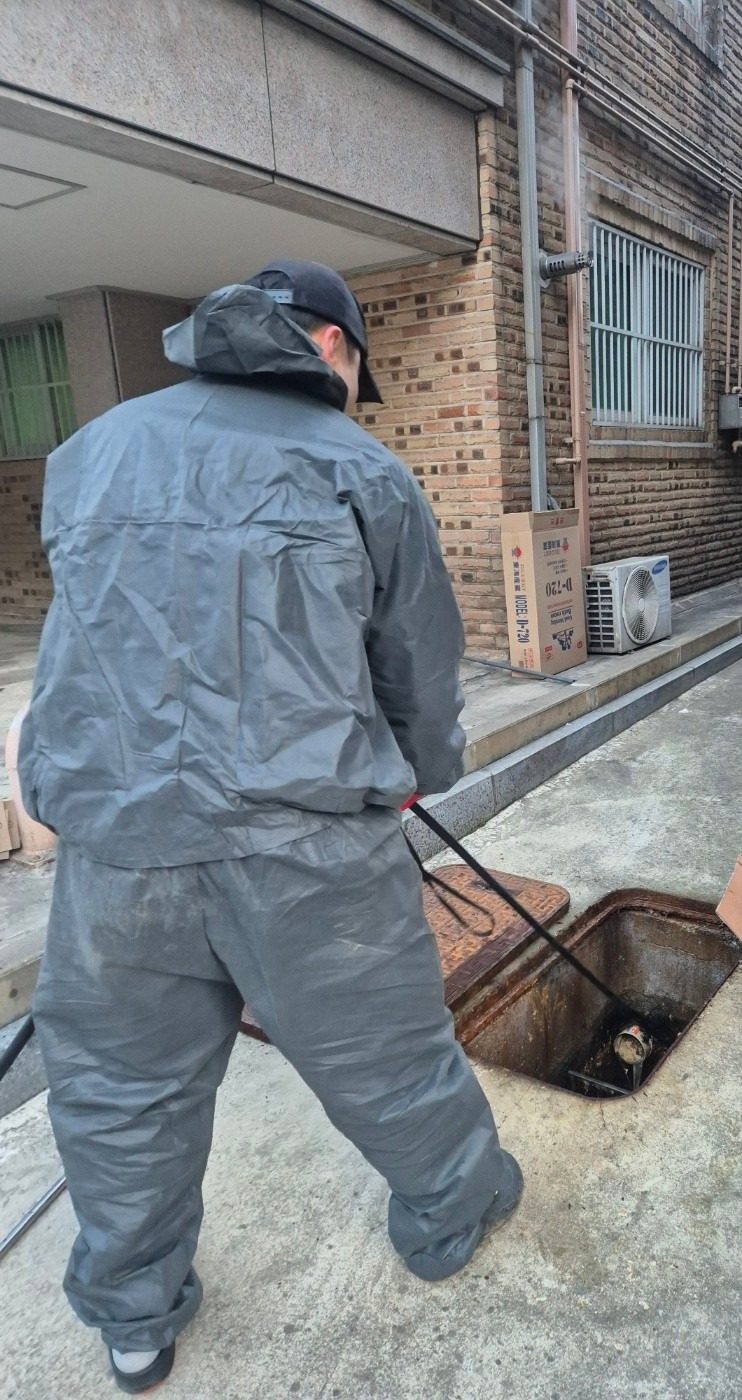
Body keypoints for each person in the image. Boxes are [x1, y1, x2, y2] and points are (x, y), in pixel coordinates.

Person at [19, 259, 522, 1394]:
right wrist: (420, 772)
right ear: (333, 349)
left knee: (118, 1089)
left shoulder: (91, 452)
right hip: (308, 854)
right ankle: (452, 1211)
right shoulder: (364, 470)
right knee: (386, 1057)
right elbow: (418, 665)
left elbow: (79, 636)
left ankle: (133, 1318)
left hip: (116, 855)